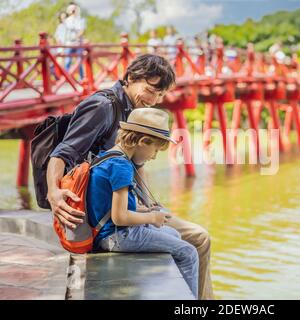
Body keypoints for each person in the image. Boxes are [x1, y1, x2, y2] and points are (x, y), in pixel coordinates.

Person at [46, 54, 214, 300]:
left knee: (181, 232)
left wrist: (148, 203)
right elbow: (62, 153)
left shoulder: (134, 112)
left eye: (159, 96)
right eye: (149, 90)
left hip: (121, 208)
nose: (153, 100)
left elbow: (137, 163)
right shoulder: (103, 106)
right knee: (198, 238)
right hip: (104, 219)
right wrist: (53, 192)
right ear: (131, 78)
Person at [87, 107, 199, 298]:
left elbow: (111, 206)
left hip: (109, 233)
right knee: (189, 253)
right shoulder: (121, 165)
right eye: (155, 149)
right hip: (117, 236)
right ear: (143, 141)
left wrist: (143, 209)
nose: (154, 156)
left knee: (173, 233)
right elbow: (119, 217)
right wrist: (153, 217)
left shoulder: (109, 157)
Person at [64, 3, 86, 79]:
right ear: (68, 11)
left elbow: (82, 30)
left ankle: (82, 78)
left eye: (74, 9)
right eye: (71, 9)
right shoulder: (66, 21)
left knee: (79, 62)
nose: (73, 11)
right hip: (68, 44)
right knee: (67, 61)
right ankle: (66, 78)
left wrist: (76, 37)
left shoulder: (80, 20)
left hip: (78, 43)